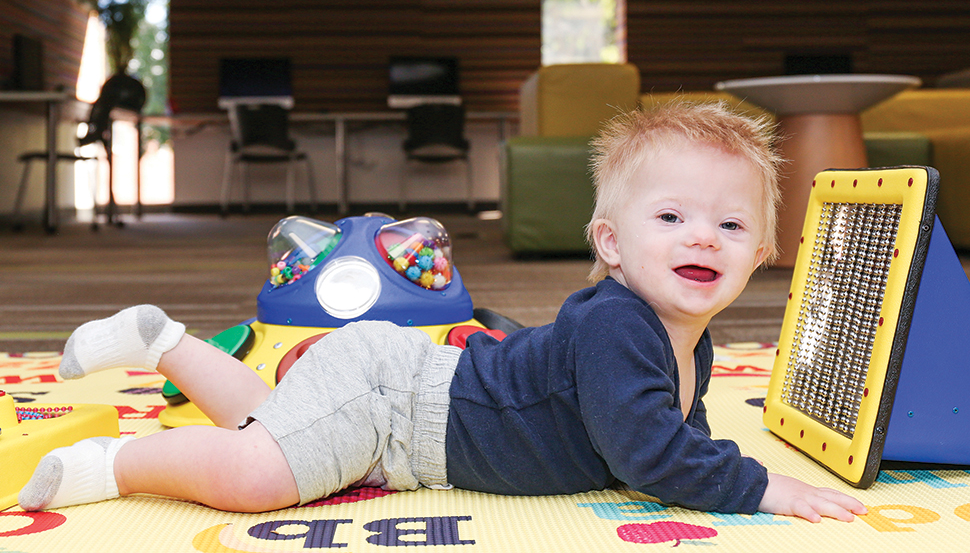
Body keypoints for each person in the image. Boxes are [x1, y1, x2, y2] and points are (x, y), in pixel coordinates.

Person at [19, 101, 866, 523]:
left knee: (269, 420)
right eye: (672, 217)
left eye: (730, 224)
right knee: (258, 475)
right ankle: (117, 462)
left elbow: (679, 424)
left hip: (404, 395)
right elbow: (649, 451)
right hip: (399, 405)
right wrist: (760, 486)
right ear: (610, 242)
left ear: (763, 252)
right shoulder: (619, 324)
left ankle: (158, 340)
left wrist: (711, 447)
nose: (703, 238)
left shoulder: (688, 338)